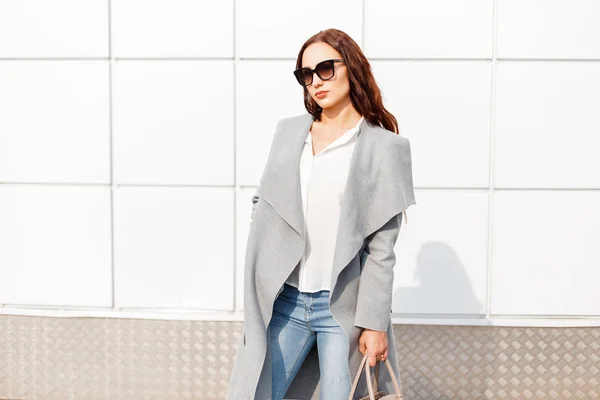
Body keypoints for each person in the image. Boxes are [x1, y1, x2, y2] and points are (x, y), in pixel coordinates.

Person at [227, 28, 416, 400]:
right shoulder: (289, 132)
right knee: (254, 393)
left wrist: (374, 324)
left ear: (353, 68)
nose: (316, 82)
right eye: (306, 74)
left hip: (342, 307)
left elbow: (382, 248)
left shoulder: (384, 147)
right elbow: (265, 201)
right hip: (287, 300)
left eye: (326, 68)